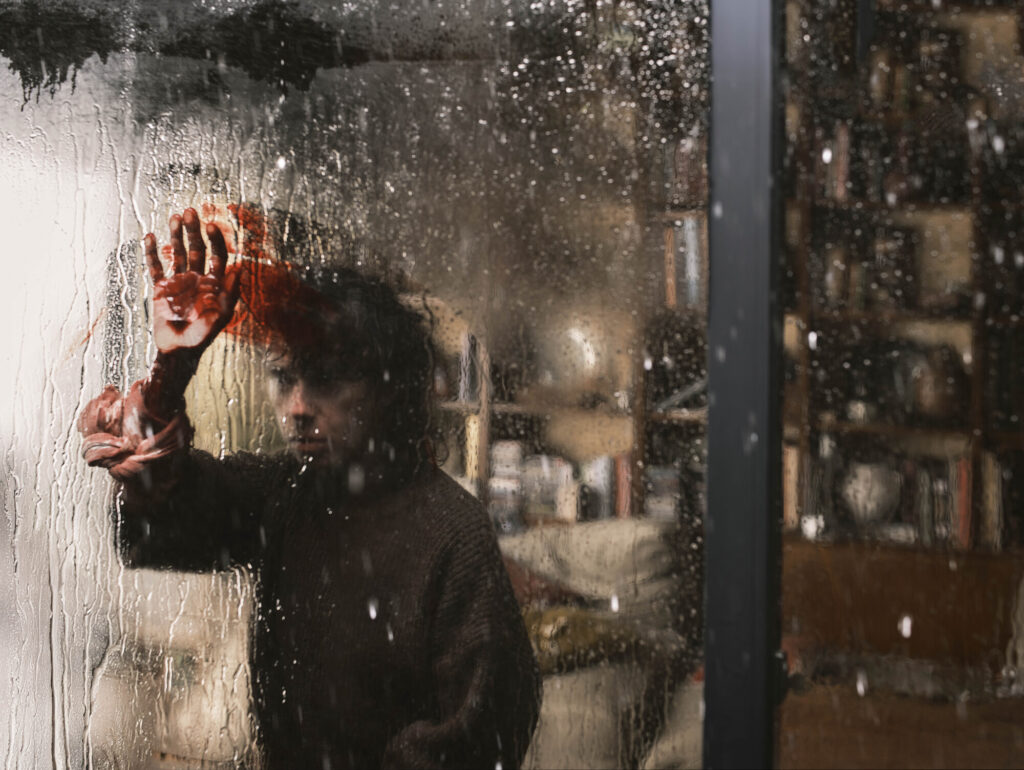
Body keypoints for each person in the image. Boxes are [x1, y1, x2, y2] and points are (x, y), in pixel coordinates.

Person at [78, 207, 541, 769]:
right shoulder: (288, 491)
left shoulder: (453, 532)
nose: (297, 407)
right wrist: (171, 374)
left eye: (326, 379)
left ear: (390, 389)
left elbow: (482, 733)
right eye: (284, 377)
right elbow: (165, 526)